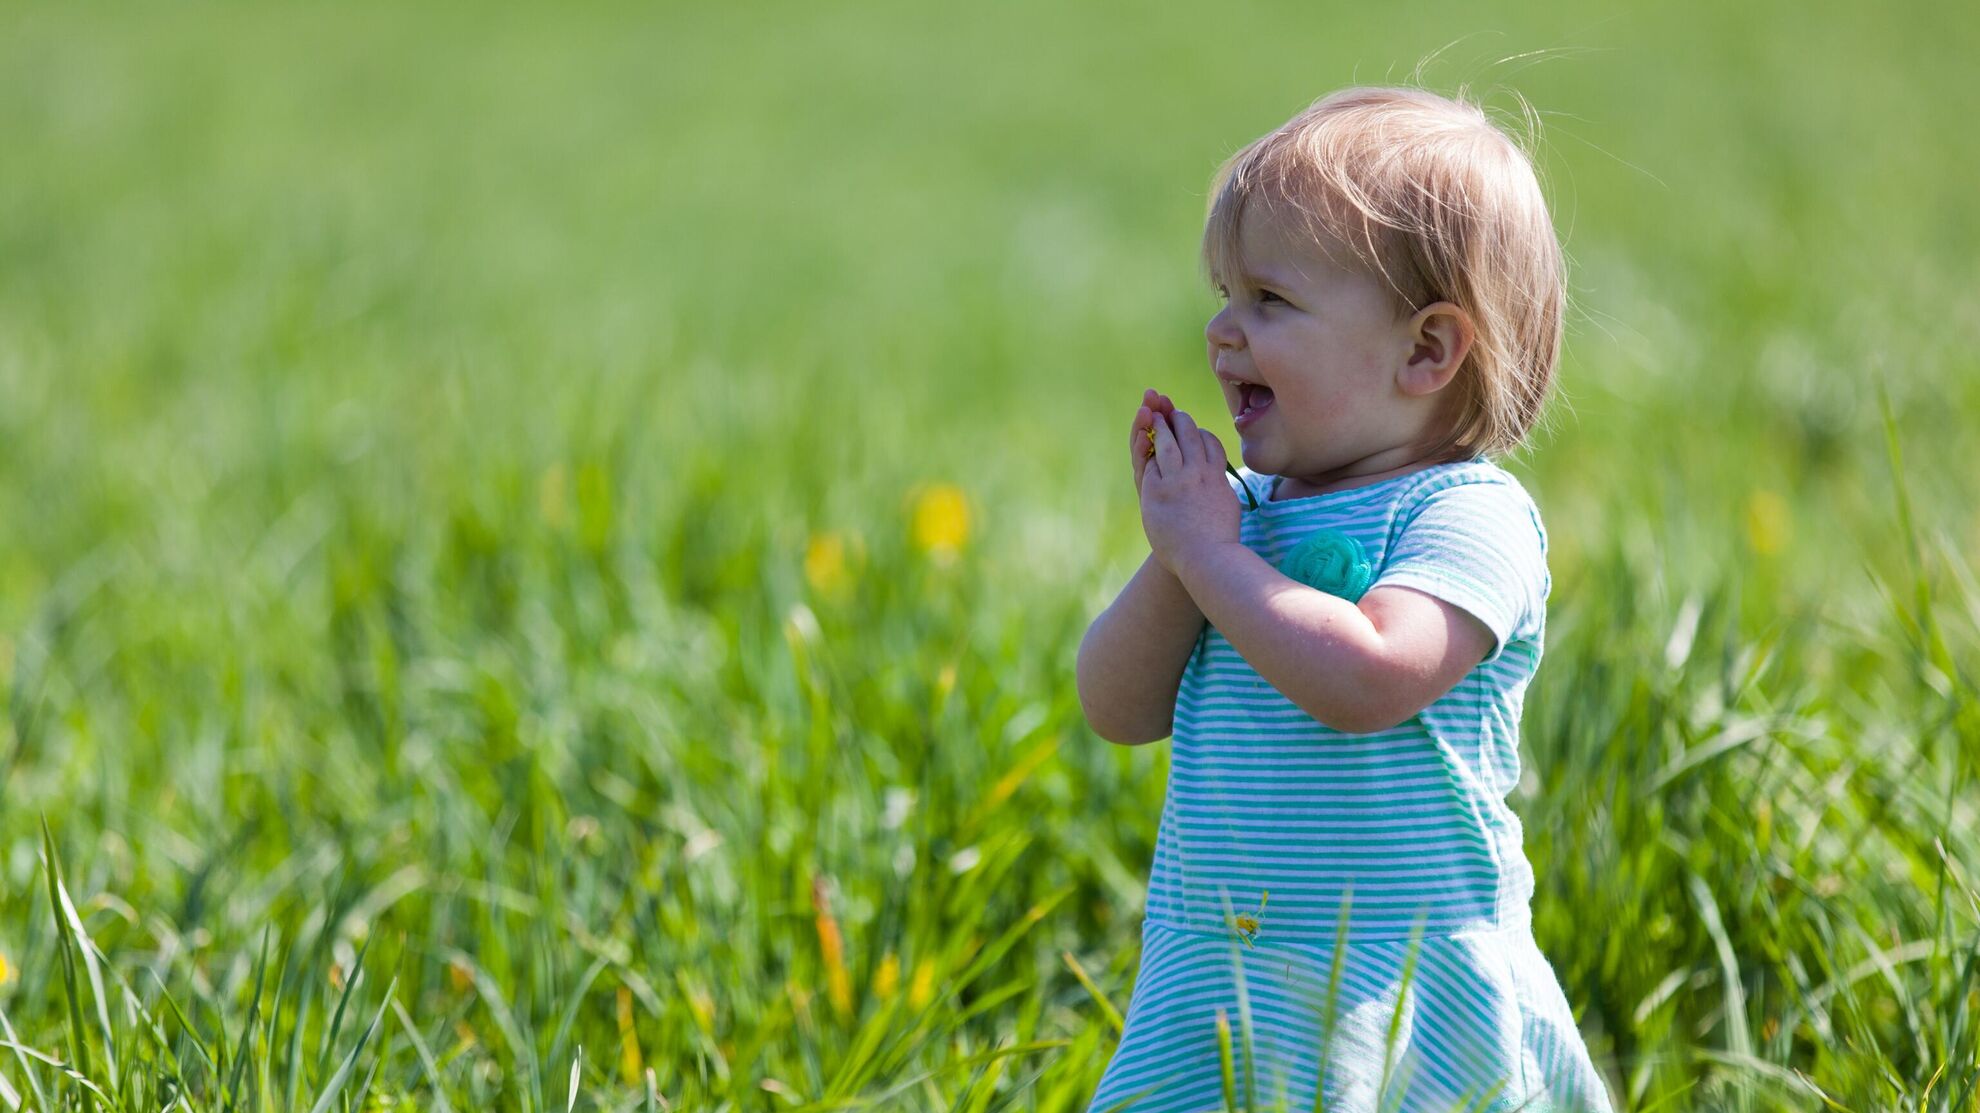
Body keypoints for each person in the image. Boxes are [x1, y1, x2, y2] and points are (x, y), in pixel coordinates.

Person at [1076, 86, 1613, 1112]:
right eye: (1224, 294)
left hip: (1404, 984)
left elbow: (1369, 675)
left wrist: (1217, 559)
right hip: (1222, 978)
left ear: (1425, 351)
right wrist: (1182, 555)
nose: (1223, 332)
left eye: (1270, 301)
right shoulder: (1241, 524)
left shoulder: (1466, 517)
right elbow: (1117, 706)